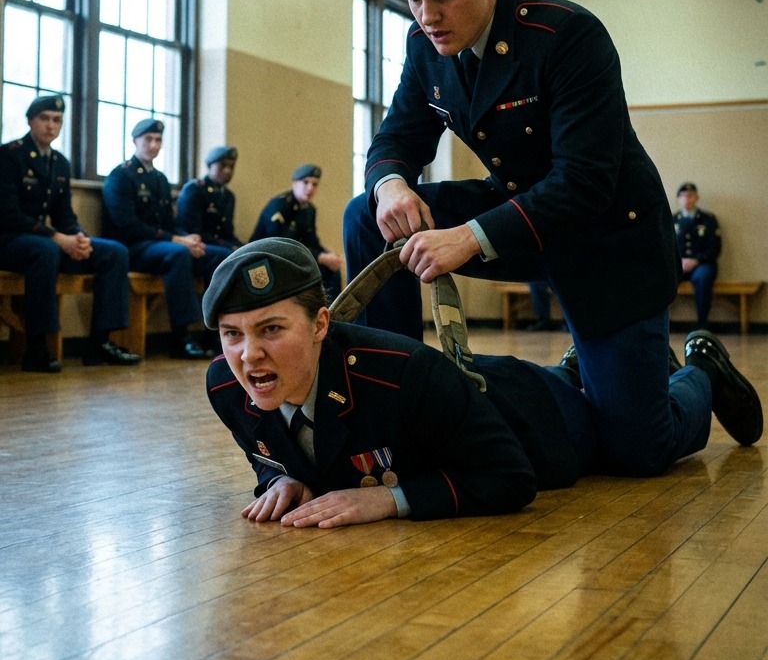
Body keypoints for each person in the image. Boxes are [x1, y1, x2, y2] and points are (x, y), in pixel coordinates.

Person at [343, 0, 763, 473]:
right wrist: (391, 184)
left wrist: (467, 237)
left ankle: (700, 376)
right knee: (367, 214)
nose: (427, 16)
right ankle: (392, 402)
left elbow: (584, 182)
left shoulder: (567, 35)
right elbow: (398, 136)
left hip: (609, 239)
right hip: (520, 219)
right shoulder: (425, 46)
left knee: (635, 453)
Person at [203, 240, 762, 530]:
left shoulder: (399, 373)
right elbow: (274, 452)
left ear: (321, 324)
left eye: (271, 330)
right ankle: (583, 369)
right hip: (471, 400)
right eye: (232, 334)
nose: (249, 356)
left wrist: (389, 501)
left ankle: (699, 375)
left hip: (539, 420)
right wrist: (281, 479)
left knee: (643, 446)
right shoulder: (227, 386)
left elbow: (510, 477)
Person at [0, 94, 141, 372]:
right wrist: (57, 237)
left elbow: (64, 215)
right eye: (44, 118)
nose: (51, 125)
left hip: (42, 241)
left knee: (114, 252)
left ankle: (100, 343)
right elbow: (8, 213)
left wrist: (79, 238)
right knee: (46, 250)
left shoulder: (60, 163)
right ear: (30, 121)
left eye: (57, 120)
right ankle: (37, 349)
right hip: (9, 241)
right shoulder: (9, 155)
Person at [102, 118, 232, 359]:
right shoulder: (121, 175)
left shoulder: (160, 179)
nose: (154, 145)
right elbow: (127, 225)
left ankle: (215, 332)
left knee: (219, 256)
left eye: (158, 140)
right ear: (135, 141)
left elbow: (168, 224)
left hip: (160, 245)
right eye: (148, 139)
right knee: (178, 253)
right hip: (132, 248)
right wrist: (176, 241)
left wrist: (187, 238)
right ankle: (181, 337)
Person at [250, 163, 343, 301]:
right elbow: (278, 245)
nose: (310, 188)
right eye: (305, 182)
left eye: (315, 184)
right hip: (268, 256)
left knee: (332, 268)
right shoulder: (279, 205)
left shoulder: (309, 209)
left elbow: (312, 242)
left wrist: (329, 256)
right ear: (294, 184)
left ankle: (332, 310)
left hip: (294, 255)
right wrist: (320, 257)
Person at [176, 145, 243, 252]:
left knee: (251, 253)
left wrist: (243, 247)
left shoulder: (228, 196)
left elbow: (227, 233)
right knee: (227, 254)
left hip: (219, 244)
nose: (227, 171)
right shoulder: (194, 189)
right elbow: (192, 230)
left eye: (231, 166)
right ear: (210, 166)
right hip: (197, 243)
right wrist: (228, 245)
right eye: (222, 165)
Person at [673, 182, 721, 326]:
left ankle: (702, 323)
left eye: (691, 195)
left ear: (696, 198)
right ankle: (662, 324)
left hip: (702, 264)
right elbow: (666, 246)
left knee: (702, 277)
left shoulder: (708, 219)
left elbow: (715, 247)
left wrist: (696, 260)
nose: (687, 199)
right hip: (678, 264)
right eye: (683, 196)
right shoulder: (672, 220)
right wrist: (679, 261)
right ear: (678, 198)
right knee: (663, 277)